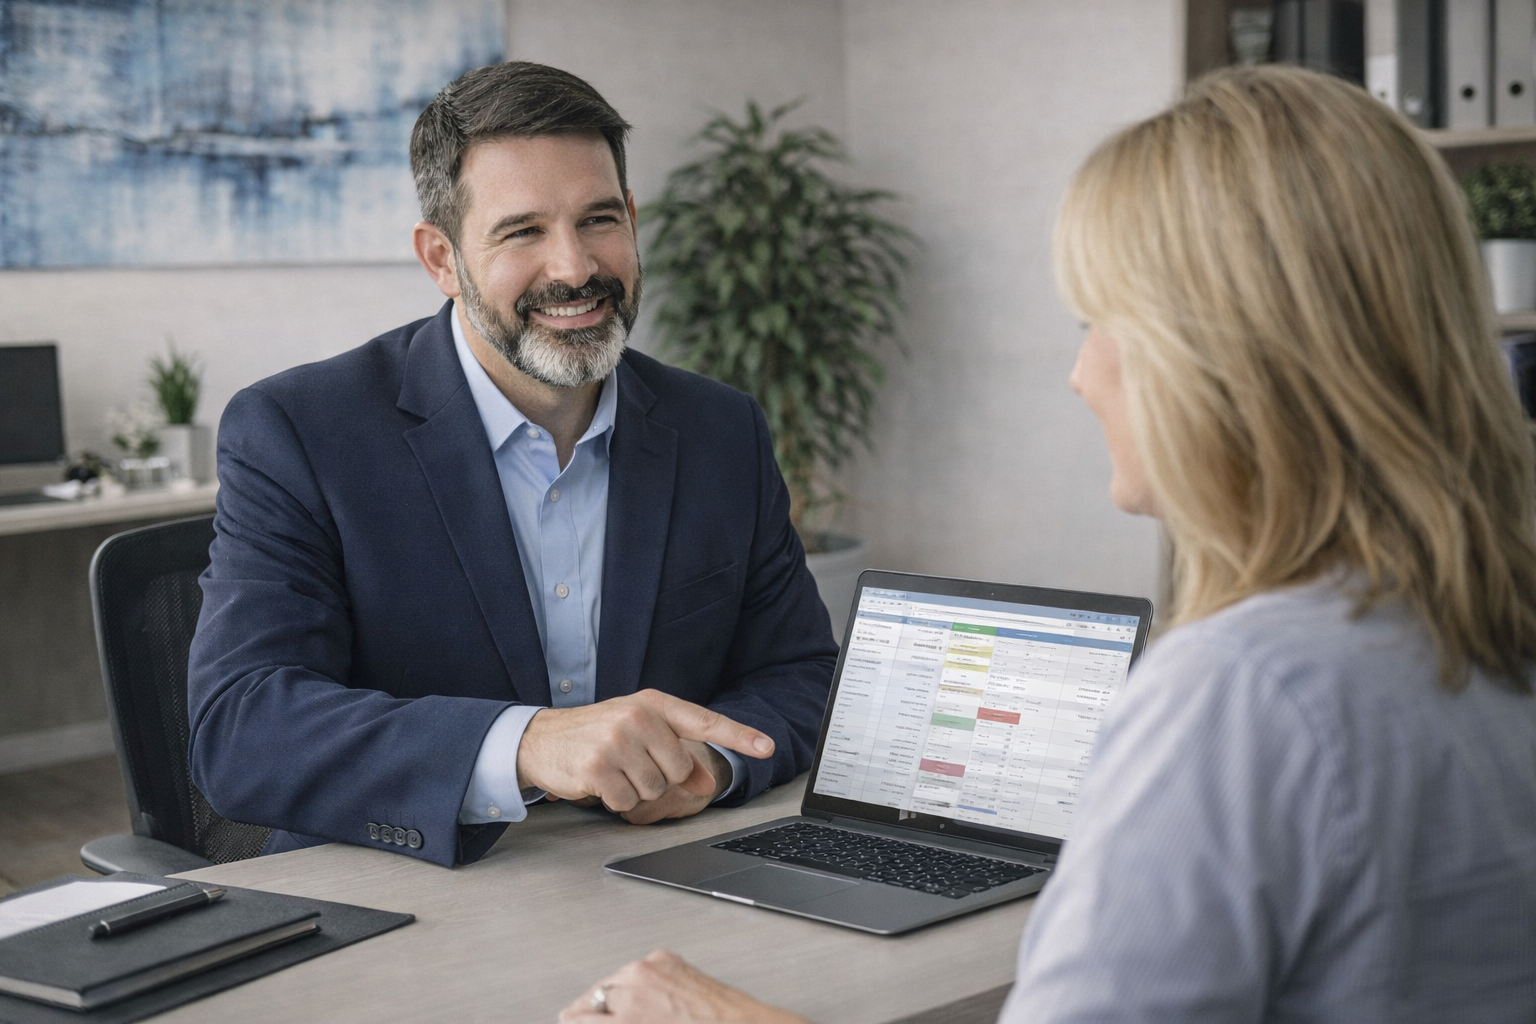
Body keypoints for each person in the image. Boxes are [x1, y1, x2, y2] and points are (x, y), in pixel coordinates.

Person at [561, 65, 1536, 1023]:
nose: (1081, 374)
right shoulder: (1488, 624)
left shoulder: (1240, 693)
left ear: (1222, 353)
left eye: (1099, 322)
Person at [186, 61, 837, 869]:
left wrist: (716, 762)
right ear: (441, 258)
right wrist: (525, 744)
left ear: (633, 220)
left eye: (599, 219)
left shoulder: (720, 429)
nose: (573, 268)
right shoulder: (299, 431)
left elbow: (799, 670)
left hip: (662, 873)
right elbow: (244, 728)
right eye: (523, 231)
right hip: (410, 892)